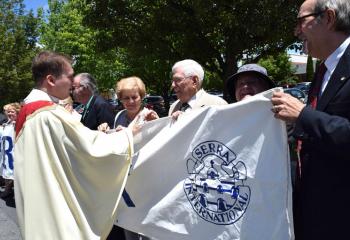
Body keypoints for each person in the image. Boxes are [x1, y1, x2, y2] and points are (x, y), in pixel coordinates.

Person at [14, 51, 139, 240]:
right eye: (70, 76)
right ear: (50, 80)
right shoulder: (49, 114)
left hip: (38, 201)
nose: (73, 83)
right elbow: (90, 147)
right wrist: (129, 134)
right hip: (54, 207)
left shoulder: (28, 109)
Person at [271, 0, 350, 239]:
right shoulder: (323, 70)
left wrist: (303, 115)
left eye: (300, 21)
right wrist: (293, 125)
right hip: (315, 212)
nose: (296, 32)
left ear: (327, 18)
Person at [99, 77, 157, 240]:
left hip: (145, 181)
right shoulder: (119, 116)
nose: (131, 101)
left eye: (135, 97)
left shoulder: (150, 116)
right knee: (128, 226)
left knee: (146, 229)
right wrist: (106, 131)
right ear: (121, 99)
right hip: (126, 181)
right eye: (126, 98)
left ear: (142, 97)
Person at [0, 103, 20, 198]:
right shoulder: (7, 124)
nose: (9, 113)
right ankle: (8, 190)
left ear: (17, 112)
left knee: (17, 174)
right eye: (8, 112)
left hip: (15, 153)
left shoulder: (20, 123)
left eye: (12, 111)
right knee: (7, 172)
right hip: (7, 154)